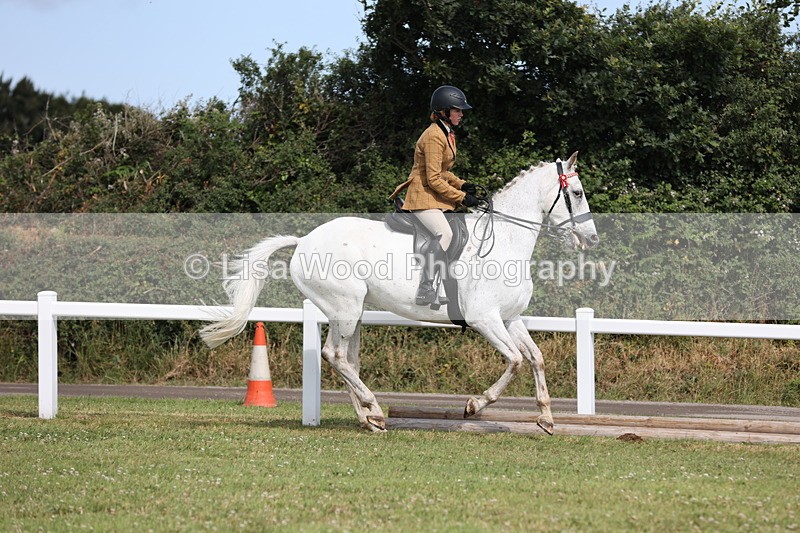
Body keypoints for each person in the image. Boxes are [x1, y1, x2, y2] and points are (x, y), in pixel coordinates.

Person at [389, 85, 480, 305]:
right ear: (444, 111)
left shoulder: (446, 133)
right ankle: (425, 288)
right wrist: (461, 197)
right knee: (445, 234)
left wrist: (463, 184)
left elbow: (444, 171)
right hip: (422, 196)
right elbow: (433, 179)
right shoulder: (433, 136)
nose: (461, 114)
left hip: (434, 195)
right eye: (457, 110)